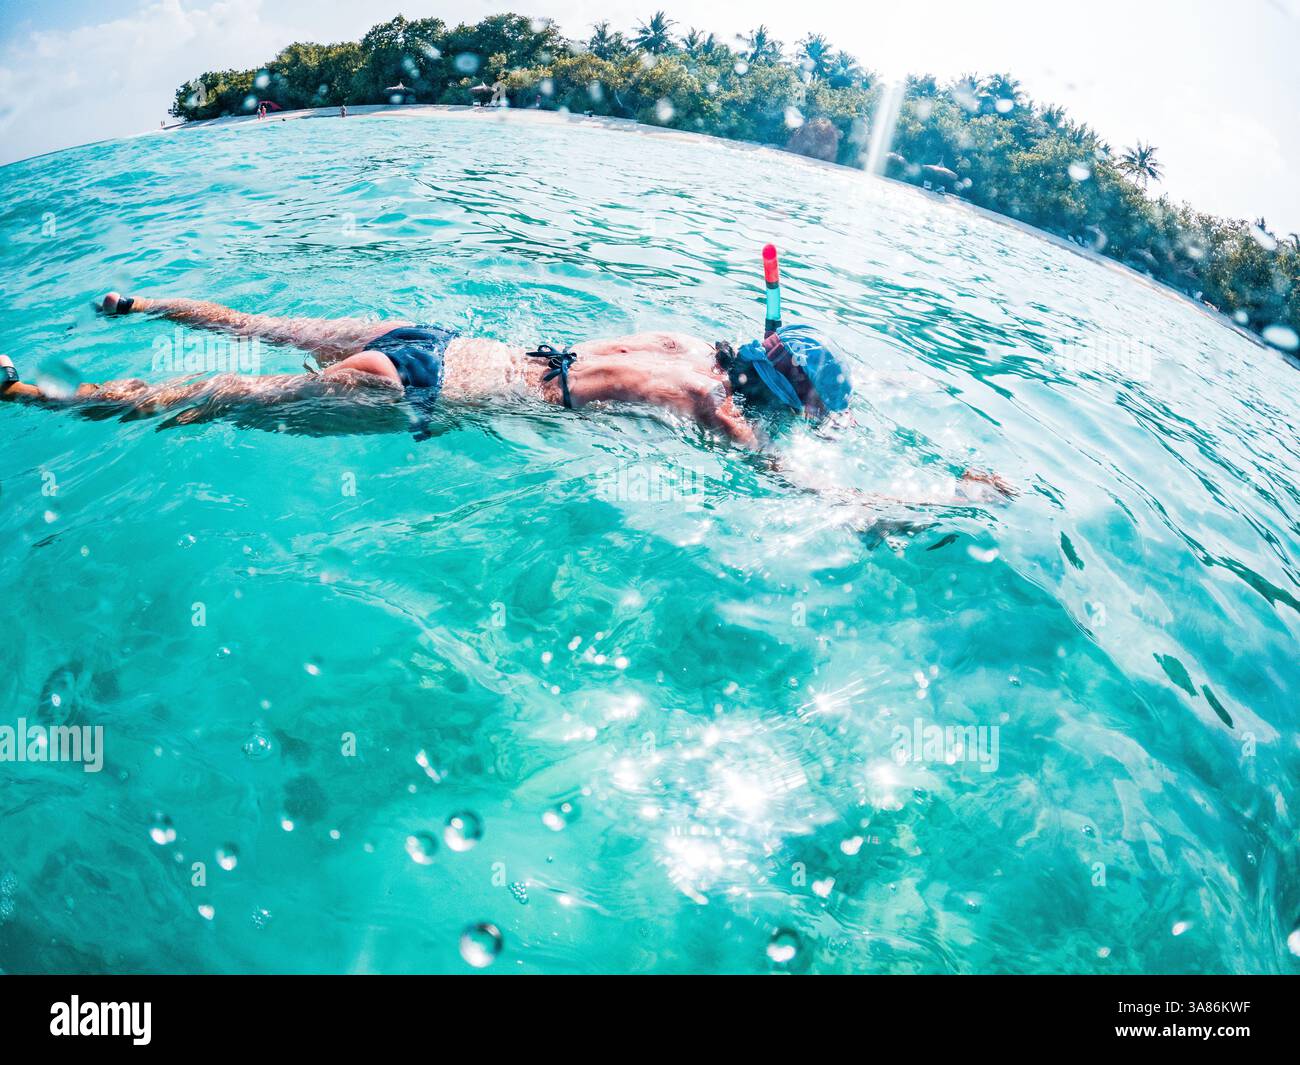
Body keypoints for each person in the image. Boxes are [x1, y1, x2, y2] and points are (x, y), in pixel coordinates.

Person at [0, 291, 1014, 522]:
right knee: (221, 401)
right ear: (777, 396)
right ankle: (32, 393)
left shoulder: (682, 342)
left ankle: (136, 302)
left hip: (439, 339)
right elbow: (804, 491)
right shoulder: (714, 407)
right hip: (437, 387)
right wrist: (940, 499)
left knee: (270, 331)